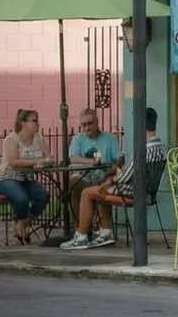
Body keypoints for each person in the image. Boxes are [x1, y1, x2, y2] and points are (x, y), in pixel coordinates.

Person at [61, 107, 166, 250]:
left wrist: (113, 179)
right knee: (101, 188)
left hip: (134, 193)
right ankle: (105, 232)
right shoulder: (160, 146)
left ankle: (81, 236)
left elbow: (125, 177)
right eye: (83, 124)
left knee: (89, 192)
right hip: (147, 193)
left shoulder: (142, 148)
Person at [0, 109, 51, 244]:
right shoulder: (11, 139)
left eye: (37, 120)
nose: (38, 124)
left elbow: (47, 157)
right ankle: (20, 224)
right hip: (6, 178)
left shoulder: (39, 138)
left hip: (26, 179)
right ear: (23, 123)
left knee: (43, 196)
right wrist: (35, 162)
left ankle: (23, 223)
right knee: (21, 197)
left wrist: (46, 162)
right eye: (34, 121)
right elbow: (13, 162)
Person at [66, 108, 121, 224]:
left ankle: (101, 227)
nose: (86, 128)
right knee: (73, 182)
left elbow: (119, 159)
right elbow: (73, 158)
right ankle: (79, 225)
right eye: (83, 125)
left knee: (103, 185)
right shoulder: (77, 139)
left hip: (105, 177)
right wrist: (90, 161)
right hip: (84, 177)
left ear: (97, 122)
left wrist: (112, 170)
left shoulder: (110, 138)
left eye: (90, 124)